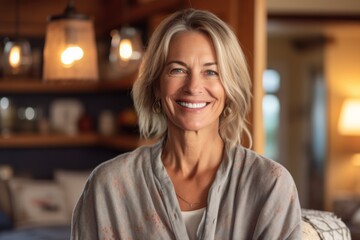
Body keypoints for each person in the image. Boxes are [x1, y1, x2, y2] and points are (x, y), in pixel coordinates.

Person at [71, 8, 302, 240]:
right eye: (177, 70)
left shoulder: (270, 184)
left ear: (229, 89)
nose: (193, 87)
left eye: (211, 72)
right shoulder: (109, 186)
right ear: (156, 86)